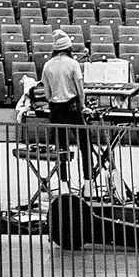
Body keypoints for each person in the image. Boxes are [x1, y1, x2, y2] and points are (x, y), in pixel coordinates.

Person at [39, 28, 89, 185]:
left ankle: (63, 183)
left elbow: (46, 93)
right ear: (69, 49)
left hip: (55, 109)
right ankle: (87, 182)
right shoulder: (73, 63)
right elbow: (80, 90)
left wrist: (54, 100)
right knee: (84, 144)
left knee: (61, 148)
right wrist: (83, 106)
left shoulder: (47, 65)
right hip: (72, 108)